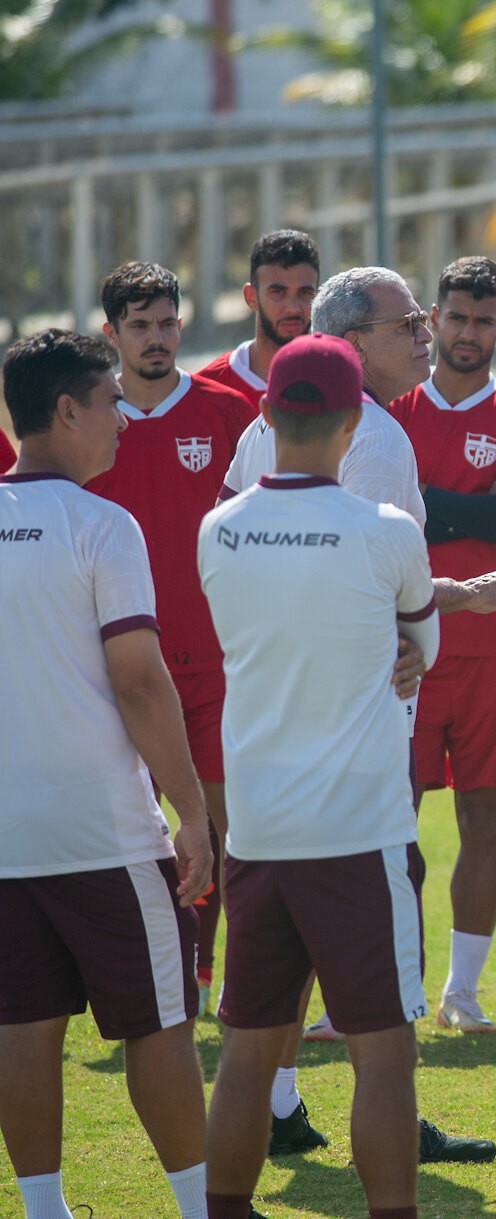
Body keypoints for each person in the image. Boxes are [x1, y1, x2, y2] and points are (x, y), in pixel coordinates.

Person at [223, 269, 496, 1163]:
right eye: (406, 322)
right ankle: (386, 1132)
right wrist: (435, 613)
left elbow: (258, 546)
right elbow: (359, 571)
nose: (424, 333)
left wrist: (435, 606)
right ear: (350, 341)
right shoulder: (365, 434)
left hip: (279, 743)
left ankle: (284, 1107)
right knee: (378, 983)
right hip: (351, 743)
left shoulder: (274, 427)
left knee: (278, 965)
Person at [198, 335, 442, 1219]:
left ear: (264, 413)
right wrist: (400, 651)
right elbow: (423, 643)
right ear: (353, 422)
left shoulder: (217, 530)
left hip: (259, 830)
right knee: (384, 1054)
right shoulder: (388, 531)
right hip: (358, 830)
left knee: (250, 1053)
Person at [1, 329, 218, 1219]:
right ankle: (202, 1207)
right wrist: (194, 810)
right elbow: (138, 677)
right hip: (103, 828)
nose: (123, 421)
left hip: (7, 834)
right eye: (108, 402)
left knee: (22, 1025)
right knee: (159, 1022)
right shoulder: (104, 524)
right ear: (65, 411)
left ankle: (45, 1210)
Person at [387, 256, 496, 1034]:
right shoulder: (390, 408)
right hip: (405, 640)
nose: (467, 333)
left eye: (484, 320)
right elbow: (393, 513)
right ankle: (396, 985)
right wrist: (470, 506)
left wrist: (431, 507)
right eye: (455, 317)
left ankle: (464, 991)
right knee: (394, 818)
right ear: (432, 318)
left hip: (493, 643)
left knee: (484, 816)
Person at [86, 261, 257, 1012]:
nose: (156, 339)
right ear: (111, 333)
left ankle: (220, 976)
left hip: (219, 664)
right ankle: (147, 974)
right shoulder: (87, 420)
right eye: (139, 326)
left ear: (182, 325)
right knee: (126, 835)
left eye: (166, 323)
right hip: (111, 669)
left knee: (226, 829)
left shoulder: (229, 411)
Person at [195, 230, 320, 407]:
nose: (293, 307)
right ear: (251, 297)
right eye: (278, 292)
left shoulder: (341, 378)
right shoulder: (207, 390)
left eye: (305, 293)